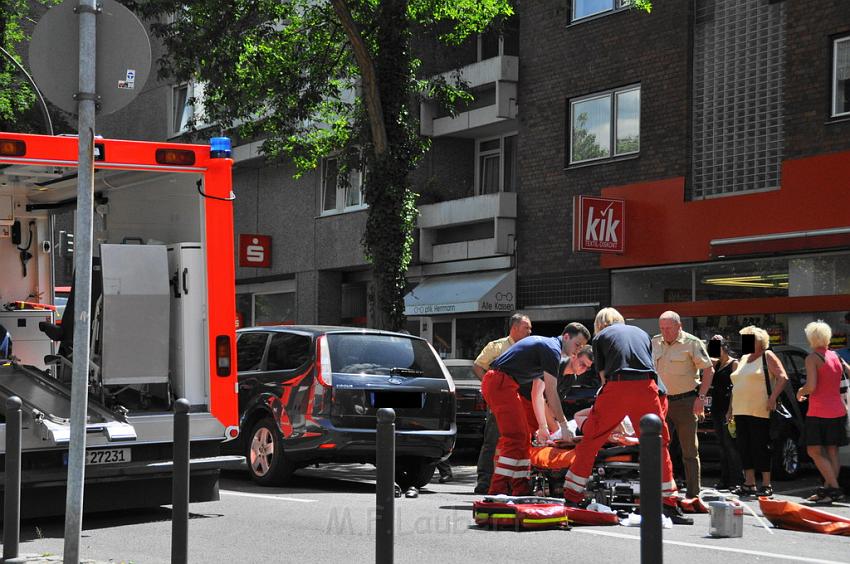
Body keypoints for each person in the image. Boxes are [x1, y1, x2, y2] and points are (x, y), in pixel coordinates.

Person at [563, 308, 690, 525]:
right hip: (648, 387)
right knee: (658, 445)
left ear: (600, 324)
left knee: (591, 440)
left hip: (618, 384)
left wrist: (608, 417)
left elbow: (604, 379)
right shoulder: (642, 334)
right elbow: (649, 368)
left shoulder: (601, 337)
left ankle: (572, 498)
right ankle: (669, 504)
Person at [482, 322, 590, 496]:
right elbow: (550, 392)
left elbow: (539, 394)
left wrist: (543, 426)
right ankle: (498, 490)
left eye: (582, 346)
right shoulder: (552, 350)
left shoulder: (549, 348)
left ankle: (520, 489)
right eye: (577, 345)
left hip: (504, 384)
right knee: (515, 437)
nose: (578, 349)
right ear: (566, 337)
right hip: (500, 383)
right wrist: (562, 424)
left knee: (522, 438)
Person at [652, 311, 714, 499]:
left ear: (679, 326)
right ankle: (663, 491)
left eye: (669, 328)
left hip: (686, 401)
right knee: (660, 448)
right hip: (662, 401)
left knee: (689, 450)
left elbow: (708, 370)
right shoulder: (654, 342)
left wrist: (701, 398)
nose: (665, 332)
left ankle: (694, 493)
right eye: (662, 328)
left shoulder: (692, 343)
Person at [473, 314, 533, 494]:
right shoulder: (497, 346)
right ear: (514, 328)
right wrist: (492, 391)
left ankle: (511, 483)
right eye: (526, 328)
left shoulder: (530, 348)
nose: (530, 332)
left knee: (517, 442)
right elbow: (478, 365)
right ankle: (484, 482)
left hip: (521, 402)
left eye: (530, 328)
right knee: (492, 441)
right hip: (500, 402)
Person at [726, 325, 788, 498]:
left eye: (749, 339)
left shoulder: (767, 355)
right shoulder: (743, 358)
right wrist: (730, 409)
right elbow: (735, 386)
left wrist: (772, 397)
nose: (745, 342)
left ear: (760, 341)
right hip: (740, 409)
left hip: (760, 409)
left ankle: (766, 484)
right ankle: (749, 482)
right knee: (743, 446)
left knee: (760, 446)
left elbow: (783, 377)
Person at [796, 321, 848, 504]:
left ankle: (834, 489)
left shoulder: (813, 358)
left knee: (814, 451)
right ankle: (827, 490)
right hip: (838, 410)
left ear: (811, 337)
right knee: (832, 451)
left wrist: (800, 392)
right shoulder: (836, 356)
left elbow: (811, 386)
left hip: (819, 411)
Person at [707, 335, 743, 490]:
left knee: (730, 445)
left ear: (724, 348)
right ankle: (725, 479)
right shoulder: (714, 364)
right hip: (716, 407)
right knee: (721, 445)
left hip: (728, 408)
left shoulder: (734, 363)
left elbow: (737, 388)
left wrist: (731, 410)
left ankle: (737, 479)